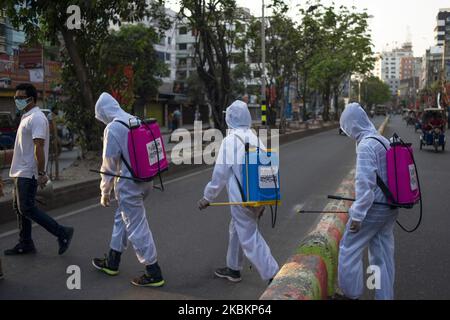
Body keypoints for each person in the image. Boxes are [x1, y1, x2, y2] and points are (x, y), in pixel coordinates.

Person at [197, 100, 279, 283]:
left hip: (241, 200)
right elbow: (266, 169)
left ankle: (274, 275)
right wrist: (263, 200)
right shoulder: (255, 137)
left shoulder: (230, 141)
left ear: (230, 118)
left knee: (249, 237)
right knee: (236, 228)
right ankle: (233, 268)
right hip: (257, 196)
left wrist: (207, 197)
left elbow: (220, 174)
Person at [92, 92, 164, 287]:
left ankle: (153, 271)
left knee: (137, 226)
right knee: (122, 218)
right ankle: (112, 262)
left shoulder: (113, 128)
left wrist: (104, 191)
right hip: (146, 180)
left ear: (103, 112)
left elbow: (108, 165)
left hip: (128, 184)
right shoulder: (134, 119)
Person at [337, 103, 398, 300]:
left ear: (352, 125)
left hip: (374, 210)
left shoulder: (365, 146)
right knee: (381, 256)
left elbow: (365, 184)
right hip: (390, 208)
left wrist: (357, 215)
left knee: (349, 249)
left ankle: (351, 294)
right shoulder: (381, 140)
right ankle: (383, 296)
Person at [5, 83, 74, 256]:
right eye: (16, 97)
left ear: (32, 99)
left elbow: (39, 147)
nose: (17, 100)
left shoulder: (37, 118)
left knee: (27, 208)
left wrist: (42, 173)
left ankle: (62, 232)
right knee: (19, 208)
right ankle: (26, 242)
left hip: (28, 172)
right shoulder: (26, 116)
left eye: (21, 98)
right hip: (19, 171)